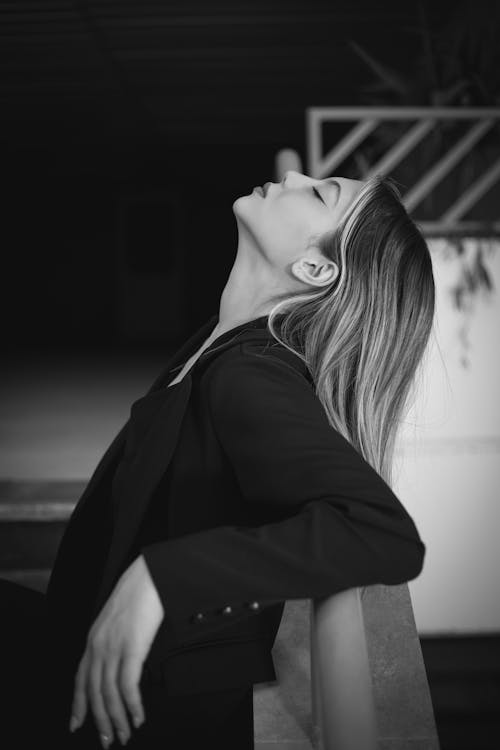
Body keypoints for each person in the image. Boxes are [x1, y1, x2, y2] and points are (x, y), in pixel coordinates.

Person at [0, 170, 435, 749]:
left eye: (317, 192)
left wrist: (163, 577)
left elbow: (379, 531)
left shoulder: (252, 372)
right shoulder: (223, 342)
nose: (293, 174)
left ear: (315, 269)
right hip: (89, 656)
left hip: (123, 710)